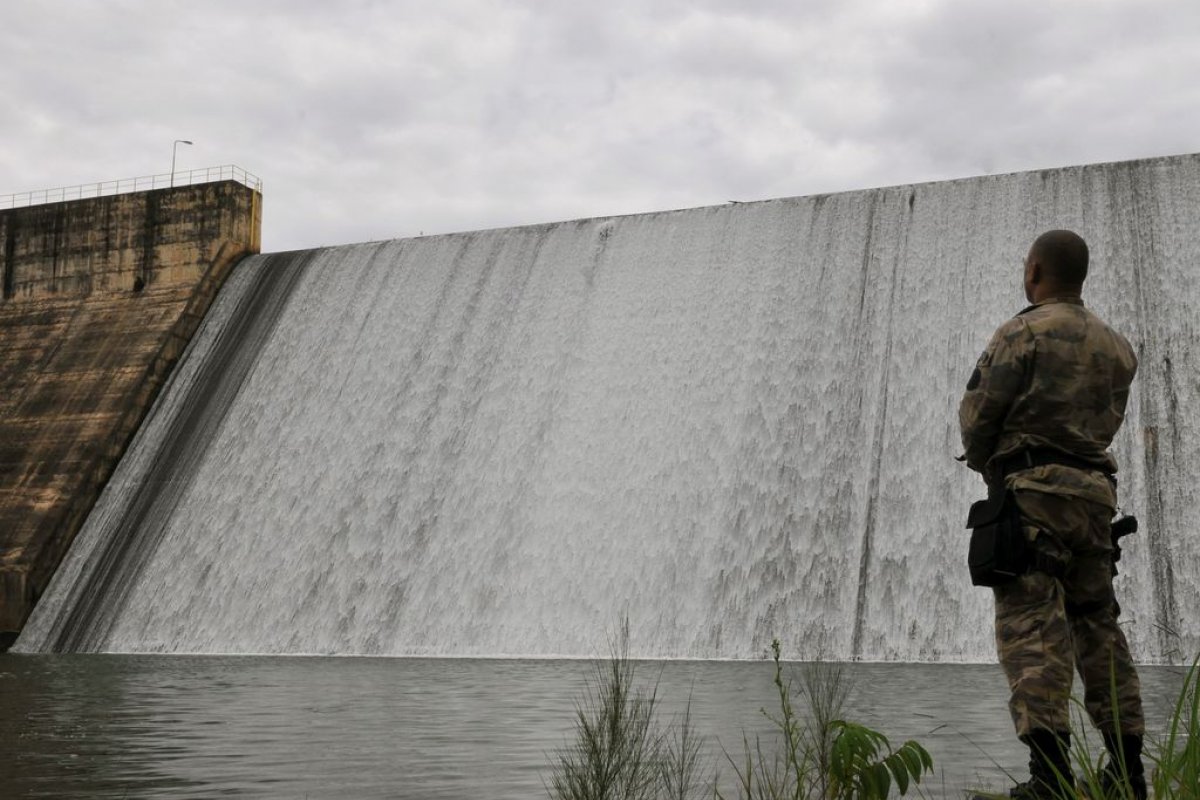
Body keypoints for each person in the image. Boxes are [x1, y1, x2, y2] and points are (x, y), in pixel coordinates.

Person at [958, 230, 1147, 799]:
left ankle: (1050, 778)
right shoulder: (1118, 347)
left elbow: (977, 418)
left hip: (1033, 493)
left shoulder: (1021, 332)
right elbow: (1104, 420)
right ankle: (1128, 773)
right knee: (1098, 625)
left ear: (1035, 271)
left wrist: (989, 462)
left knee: (1031, 628)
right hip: (1094, 499)